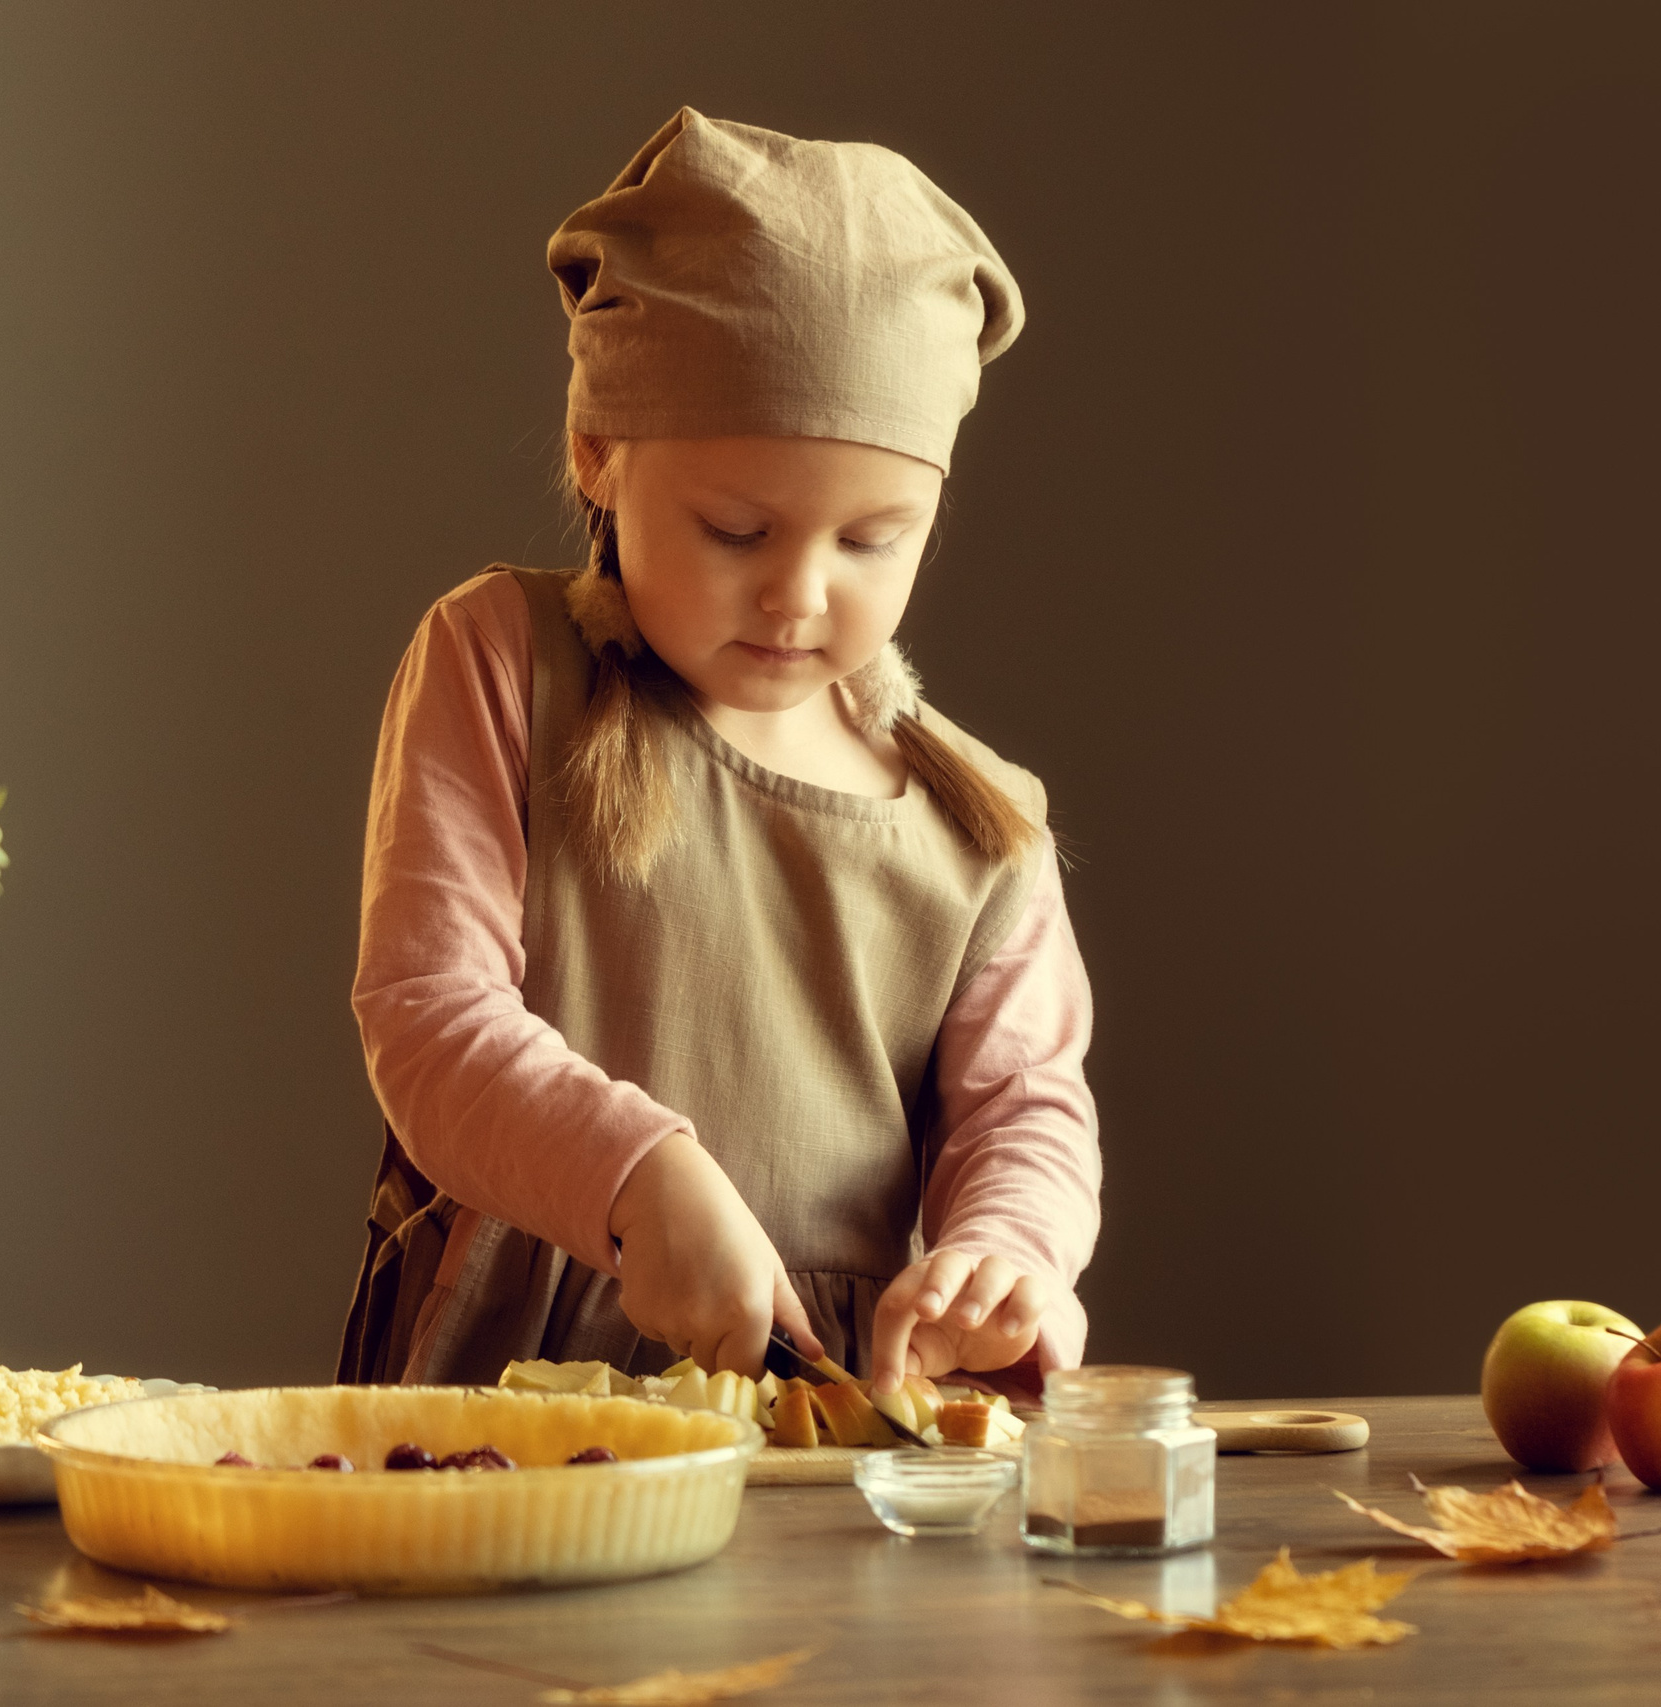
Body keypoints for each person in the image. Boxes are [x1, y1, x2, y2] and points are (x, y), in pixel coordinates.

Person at [339, 108, 1100, 1404]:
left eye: (872, 540)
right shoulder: (499, 663)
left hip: (831, 1438)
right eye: (737, 529)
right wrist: (632, 1178)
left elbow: (1027, 1108)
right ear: (598, 454)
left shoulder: (982, 829)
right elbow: (429, 1016)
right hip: (507, 1422)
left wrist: (1004, 1256)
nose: (800, 595)